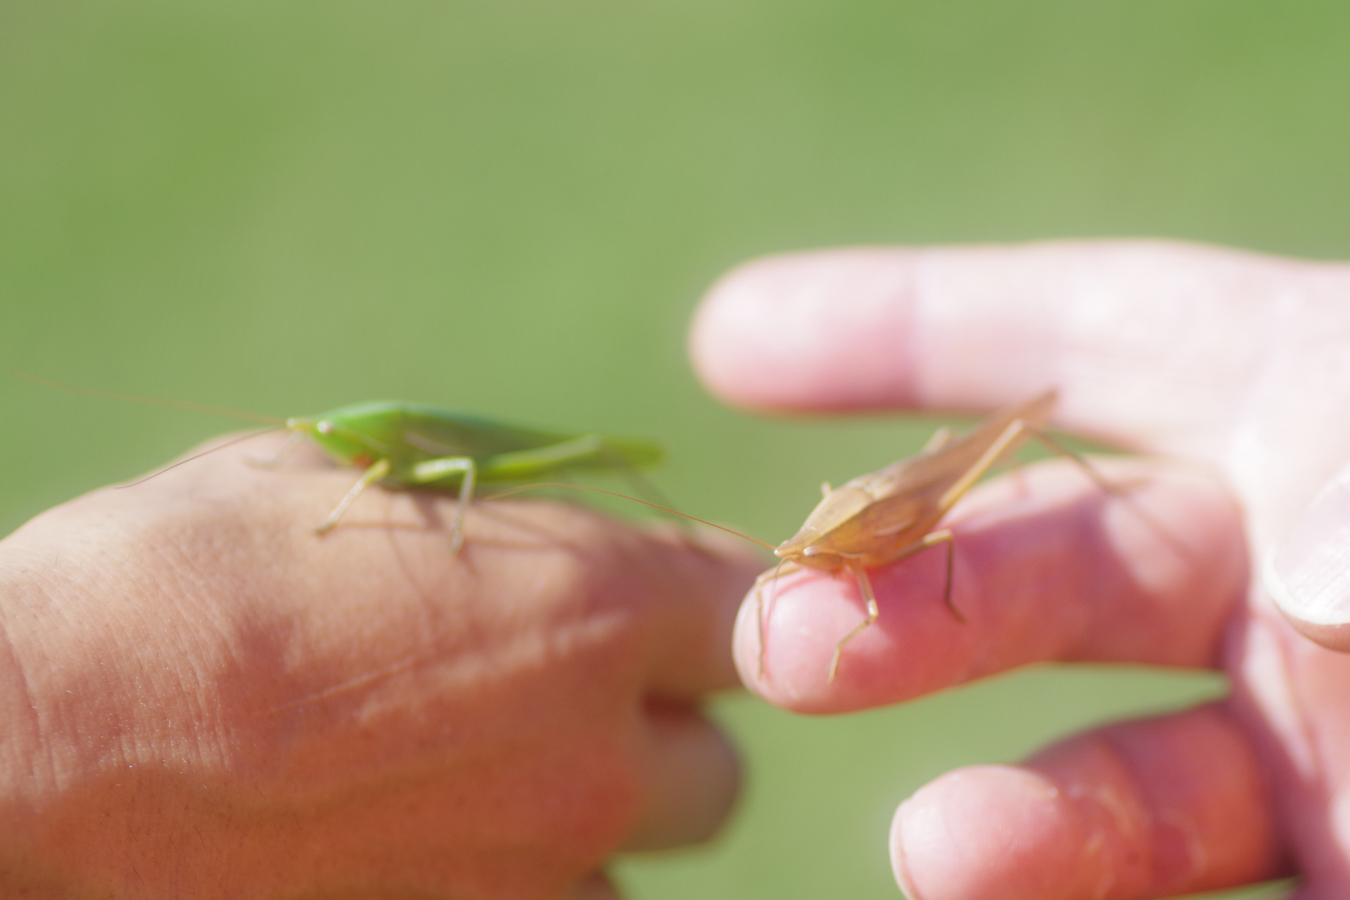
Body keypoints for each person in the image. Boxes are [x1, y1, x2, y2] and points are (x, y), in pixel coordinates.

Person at [2, 238, 1346, 899]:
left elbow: (919, 542)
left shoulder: (398, 454)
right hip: (880, 510)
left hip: (899, 494)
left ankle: (1031, 443)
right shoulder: (351, 453)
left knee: (964, 471)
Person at [692, 238, 1350, 900]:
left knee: (972, 460)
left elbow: (932, 549)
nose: (799, 560)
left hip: (914, 508)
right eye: (803, 554)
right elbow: (790, 558)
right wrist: (797, 556)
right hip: (873, 508)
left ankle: (1085, 476)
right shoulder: (814, 545)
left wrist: (851, 635)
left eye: (808, 554)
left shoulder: (858, 554)